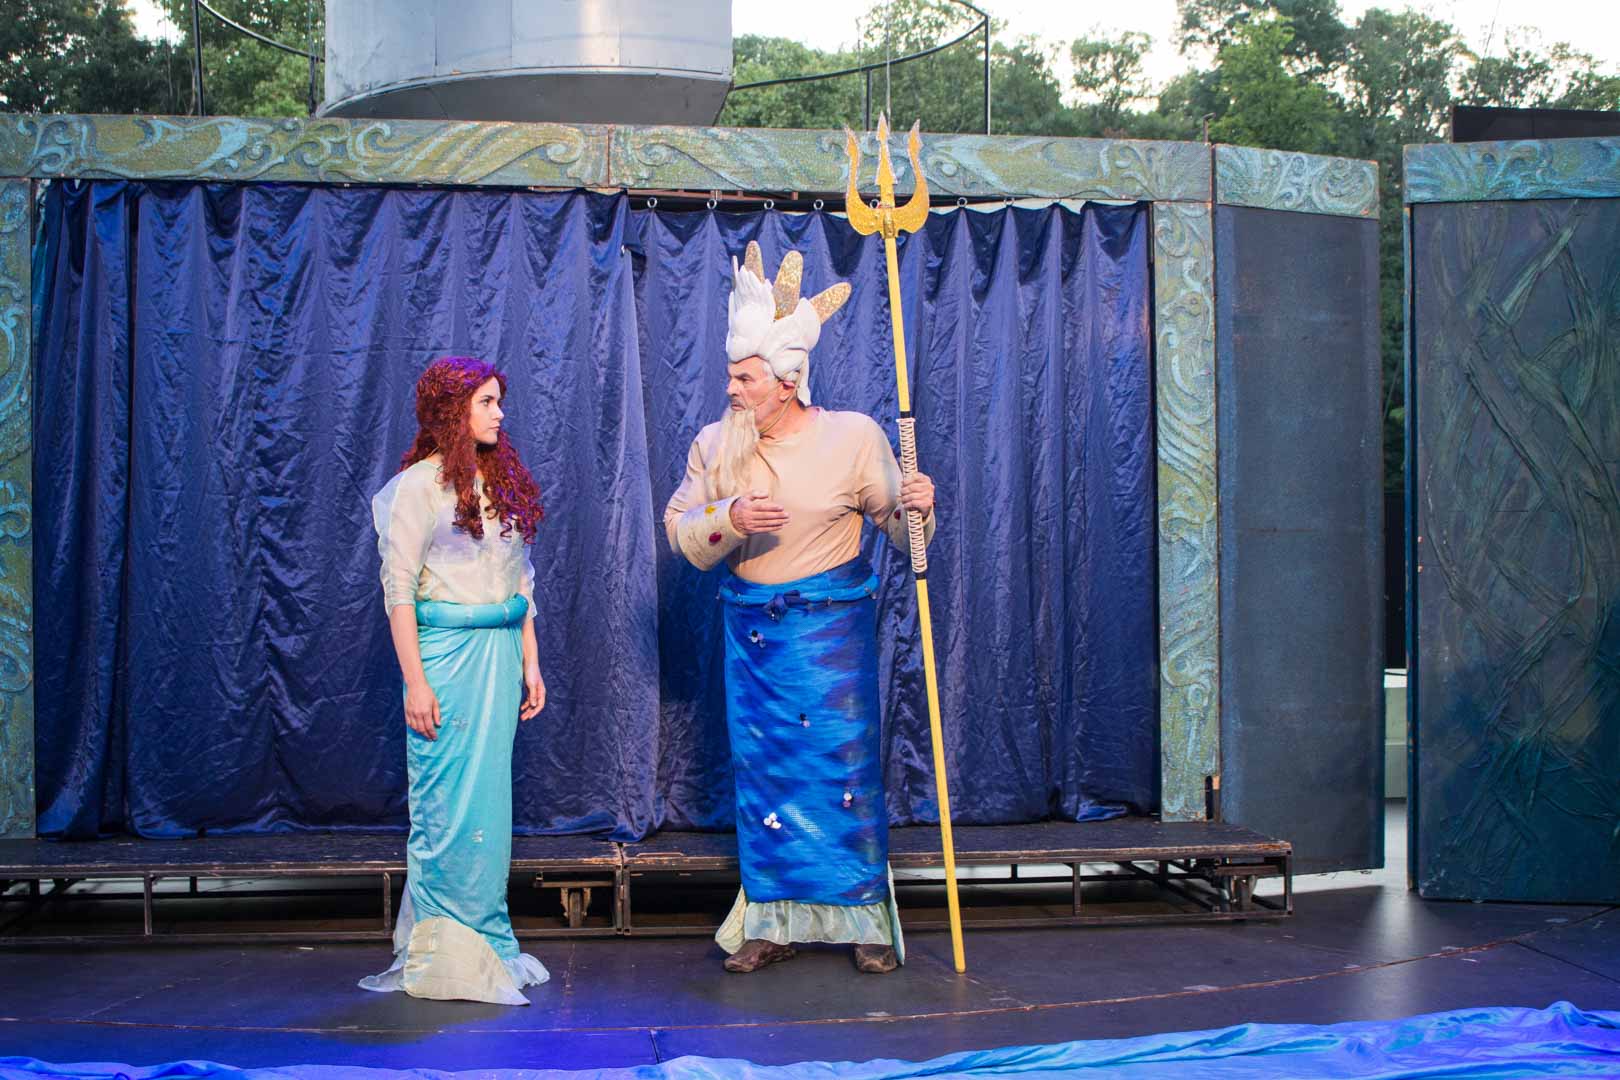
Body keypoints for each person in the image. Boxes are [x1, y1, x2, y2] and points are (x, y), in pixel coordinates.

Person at [664, 242, 936, 975]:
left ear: (787, 382)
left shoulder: (854, 437)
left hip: (830, 644)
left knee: (842, 776)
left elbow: (899, 530)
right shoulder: (715, 444)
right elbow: (679, 531)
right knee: (767, 782)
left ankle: (866, 921)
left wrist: (917, 505)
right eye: (730, 375)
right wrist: (728, 517)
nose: (732, 388)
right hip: (755, 643)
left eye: (745, 378)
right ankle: (771, 920)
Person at [359, 355, 550, 1005]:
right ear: (453, 412)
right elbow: (399, 591)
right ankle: (443, 949)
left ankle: (488, 941)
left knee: (488, 805)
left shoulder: (500, 484)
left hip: (499, 653)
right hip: (447, 657)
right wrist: (415, 682)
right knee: (445, 804)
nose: (500, 412)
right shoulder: (416, 489)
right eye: (487, 402)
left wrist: (530, 661)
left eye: (499, 400)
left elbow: (520, 580)